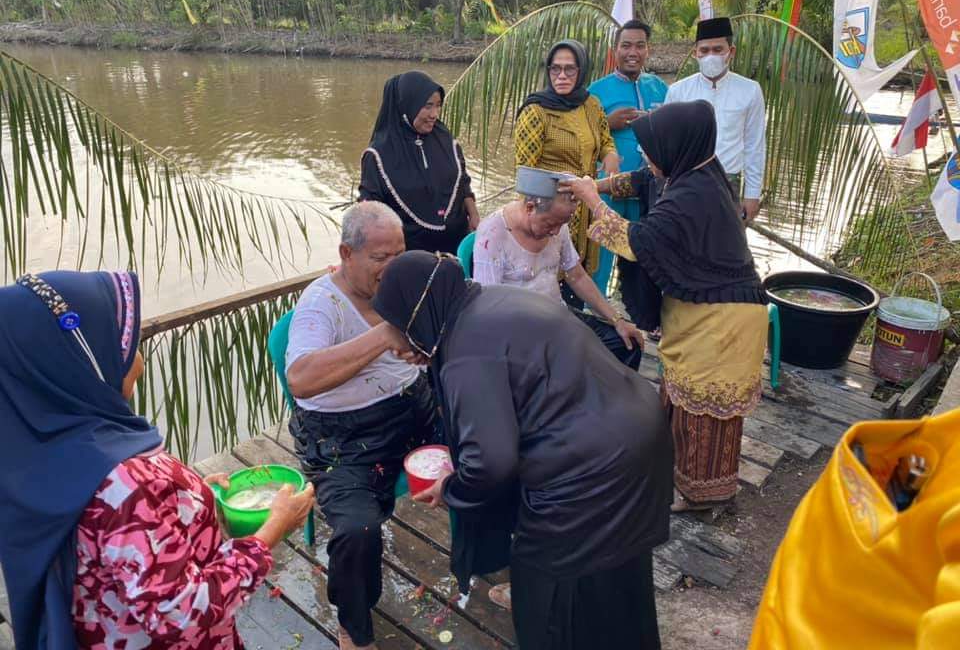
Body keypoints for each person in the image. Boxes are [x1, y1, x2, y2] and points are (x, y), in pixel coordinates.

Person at [371, 250, 672, 650]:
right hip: (641, 437)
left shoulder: (465, 353)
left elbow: (490, 465)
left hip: (589, 473)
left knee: (544, 597)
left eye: (400, 330)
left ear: (416, 317)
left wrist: (449, 489)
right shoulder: (494, 299)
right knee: (618, 581)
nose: (401, 344)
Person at [0, 270, 314, 650]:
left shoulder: (41, 449)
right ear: (83, 362)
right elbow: (182, 615)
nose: (139, 357)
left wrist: (189, 503)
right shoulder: (127, 483)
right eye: (125, 344)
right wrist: (269, 534)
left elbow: (109, 547)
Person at [562, 100, 768, 512]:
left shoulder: (690, 196)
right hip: (713, 311)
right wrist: (596, 184)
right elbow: (638, 181)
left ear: (676, 146)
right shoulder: (697, 172)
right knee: (689, 404)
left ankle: (701, 496)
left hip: (720, 321)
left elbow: (638, 242)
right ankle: (698, 486)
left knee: (704, 414)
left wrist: (588, 198)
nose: (647, 157)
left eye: (652, 149)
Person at [285, 201, 438, 650]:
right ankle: (354, 628)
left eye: (399, 254)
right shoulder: (321, 304)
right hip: (343, 439)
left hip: (415, 407)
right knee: (358, 532)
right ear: (346, 254)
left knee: (497, 440)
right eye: (380, 258)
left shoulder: (407, 285)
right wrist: (384, 336)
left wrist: (425, 350)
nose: (393, 268)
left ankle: (492, 555)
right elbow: (301, 378)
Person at [472, 189, 644, 369]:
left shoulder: (557, 225)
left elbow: (576, 276)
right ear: (530, 208)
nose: (555, 232)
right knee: (570, 364)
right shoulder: (492, 233)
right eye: (550, 224)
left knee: (627, 345)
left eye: (562, 224)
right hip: (520, 330)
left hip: (557, 315)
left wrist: (618, 320)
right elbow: (489, 309)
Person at [514, 39, 619, 306]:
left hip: (585, 212)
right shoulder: (536, 111)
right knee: (549, 288)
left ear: (582, 70)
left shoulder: (591, 105)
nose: (561, 76)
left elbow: (605, 138)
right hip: (551, 215)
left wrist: (610, 154)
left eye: (570, 69)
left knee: (578, 281)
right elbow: (524, 174)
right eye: (555, 69)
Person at [587, 19, 669, 294]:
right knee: (601, 257)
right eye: (626, 46)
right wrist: (607, 123)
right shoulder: (596, 91)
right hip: (607, 191)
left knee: (644, 259)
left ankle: (641, 316)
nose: (632, 52)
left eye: (639, 45)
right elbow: (581, 138)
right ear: (615, 50)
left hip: (648, 192)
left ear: (648, 50)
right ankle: (595, 313)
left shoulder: (660, 88)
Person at [359, 71, 479, 254]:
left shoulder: (446, 140)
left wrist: (475, 216)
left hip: (457, 248)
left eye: (438, 106)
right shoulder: (378, 155)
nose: (434, 114)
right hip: (410, 257)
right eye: (428, 106)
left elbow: (463, 183)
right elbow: (369, 210)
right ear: (408, 105)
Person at [664, 16, 766, 223]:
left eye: (718, 50)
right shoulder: (678, 91)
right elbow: (666, 144)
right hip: (685, 183)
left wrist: (752, 194)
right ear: (695, 54)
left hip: (728, 183)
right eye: (704, 50)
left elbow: (755, 146)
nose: (711, 56)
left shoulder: (750, 90)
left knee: (725, 250)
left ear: (731, 52)